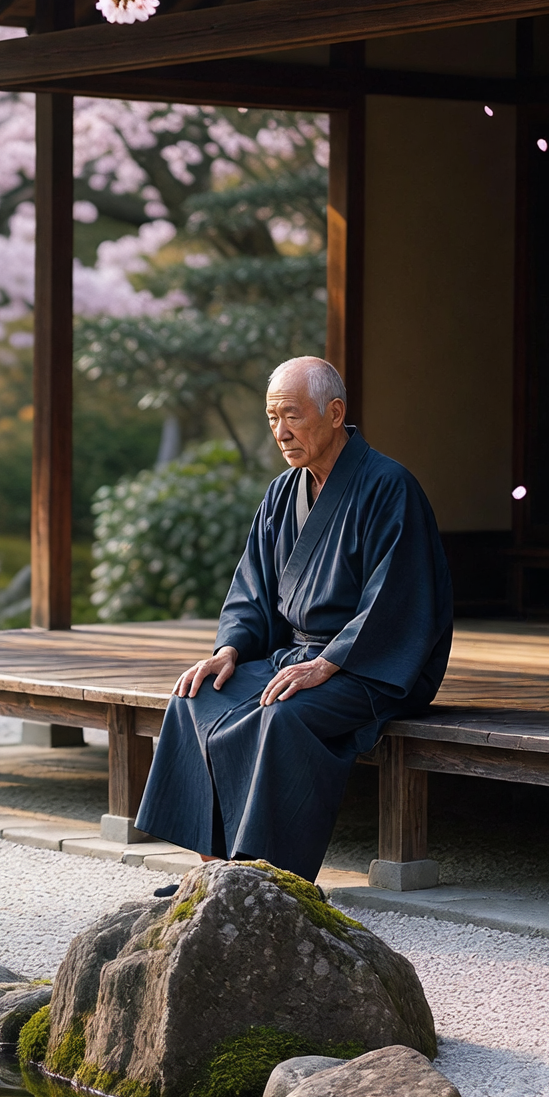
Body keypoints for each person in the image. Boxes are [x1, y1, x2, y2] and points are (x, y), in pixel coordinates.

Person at [134, 356, 453, 879]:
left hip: (372, 664)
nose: (280, 433)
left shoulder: (389, 486)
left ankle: (266, 879)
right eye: (271, 418)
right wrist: (230, 649)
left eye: (292, 417)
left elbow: (396, 599)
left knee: (282, 716)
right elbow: (252, 588)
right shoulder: (283, 493)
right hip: (296, 654)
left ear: (334, 413)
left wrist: (330, 662)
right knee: (196, 696)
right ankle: (212, 872)